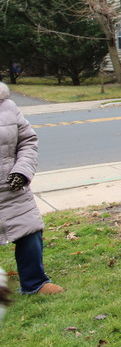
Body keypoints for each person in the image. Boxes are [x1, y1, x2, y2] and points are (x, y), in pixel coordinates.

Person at [0, 82, 63, 296]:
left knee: (30, 232)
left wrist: (22, 172)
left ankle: (34, 283)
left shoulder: (7, 106)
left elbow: (27, 141)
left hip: (11, 187)